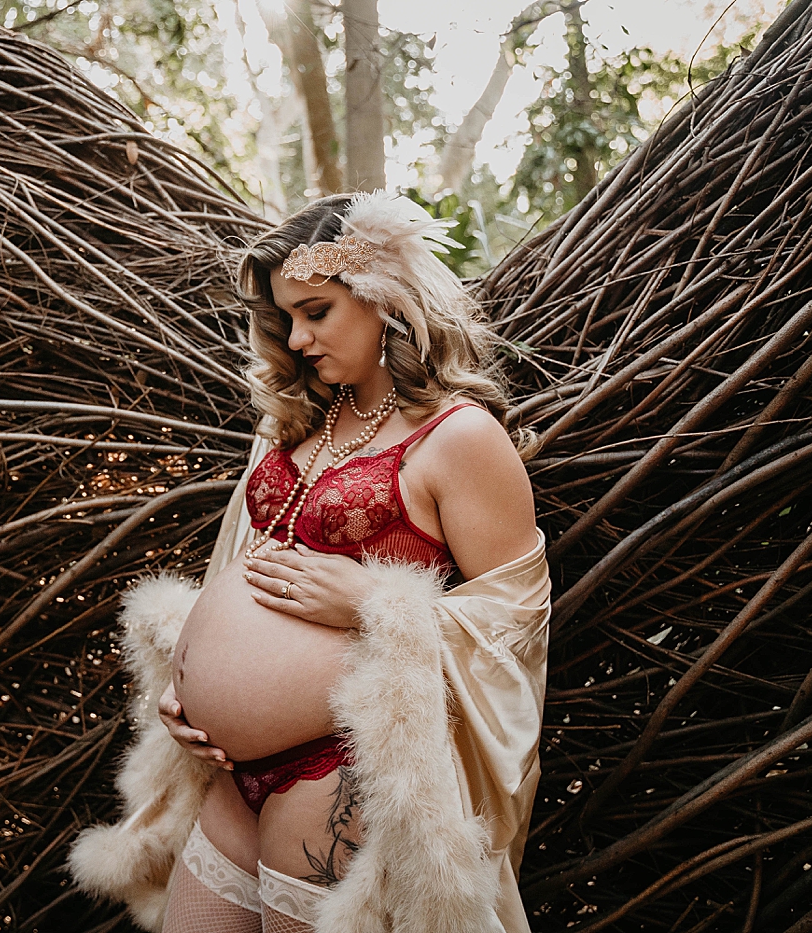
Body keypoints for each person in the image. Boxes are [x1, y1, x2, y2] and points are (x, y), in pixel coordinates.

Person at [70, 191, 552, 933]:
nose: (295, 338)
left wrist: (376, 602)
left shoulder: (459, 437)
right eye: (283, 318)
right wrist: (187, 688)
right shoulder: (299, 423)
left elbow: (516, 625)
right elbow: (243, 573)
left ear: (385, 299)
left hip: (339, 772)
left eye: (315, 311)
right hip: (228, 777)